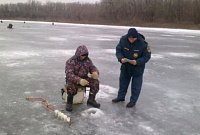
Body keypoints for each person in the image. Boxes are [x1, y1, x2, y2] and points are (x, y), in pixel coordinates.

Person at [112, 28, 151, 107]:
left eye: (133, 39)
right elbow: (118, 50)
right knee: (123, 83)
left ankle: (133, 101)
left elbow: (147, 56)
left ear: (136, 37)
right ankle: (121, 97)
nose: (131, 40)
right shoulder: (123, 40)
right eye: (130, 38)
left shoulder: (143, 43)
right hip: (126, 67)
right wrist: (121, 58)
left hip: (137, 68)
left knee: (136, 86)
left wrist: (137, 62)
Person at [65, 45, 100, 111]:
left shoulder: (88, 60)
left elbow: (93, 68)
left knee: (95, 82)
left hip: (85, 79)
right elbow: (69, 74)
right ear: (78, 54)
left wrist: (95, 73)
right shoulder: (71, 61)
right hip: (74, 80)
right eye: (82, 55)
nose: (84, 57)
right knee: (70, 85)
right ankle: (69, 102)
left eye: (85, 55)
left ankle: (91, 100)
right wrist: (79, 80)